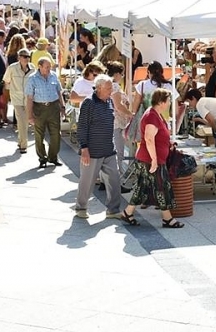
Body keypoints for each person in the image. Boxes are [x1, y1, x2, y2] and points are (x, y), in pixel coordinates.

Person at [118, 89, 184, 229]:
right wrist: (154, 160)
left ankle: (127, 213)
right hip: (150, 160)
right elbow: (148, 138)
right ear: (161, 102)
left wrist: (168, 143)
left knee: (141, 187)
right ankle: (167, 219)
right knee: (162, 187)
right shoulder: (152, 116)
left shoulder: (156, 114)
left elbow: (158, 136)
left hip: (148, 159)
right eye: (168, 101)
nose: (169, 103)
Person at [74, 74, 123, 220]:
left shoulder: (109, 101)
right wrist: (84, 149)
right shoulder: (88, 103)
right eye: (108, 88)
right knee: (87, 182)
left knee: (114, 179)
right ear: (99, 88)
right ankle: (81, 207)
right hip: (92, 150)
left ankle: (113, 210)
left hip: (108, 149)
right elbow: (82, 126)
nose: (111, 91)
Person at [26, 56, 64, 168]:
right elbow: (29, 98)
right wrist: (29, 115)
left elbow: (59, 91)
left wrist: (62, 107)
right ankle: (42, 158)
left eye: (50, 67)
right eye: (47, 67)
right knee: (39, 134)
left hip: (53, 107)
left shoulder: (53, 76)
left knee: (56, 134)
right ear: (40, 66)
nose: (49, 69)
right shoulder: (32, 78)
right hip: (39, 108)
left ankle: (53, 157)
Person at [3, 48, 34, 154]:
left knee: (25, 122)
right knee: (21, 121)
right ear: (19, 57)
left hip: (29, 99)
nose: (27, 58)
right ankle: (24, 145)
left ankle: (21, 141)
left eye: (28, 56)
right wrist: (10, 92)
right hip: (16, 98)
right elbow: (6, 81)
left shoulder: (33, 68)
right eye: (24, 56)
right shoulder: (12, 68)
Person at [106, 62, 133, 167]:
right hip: (118, 121)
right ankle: (118, 176)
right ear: (117, 74)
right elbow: (118, 106)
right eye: (122, 74)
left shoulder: (108, 85)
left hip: (114, 121)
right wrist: (130, 114)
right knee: (118, 151)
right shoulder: (115, 86)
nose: (122, 77)